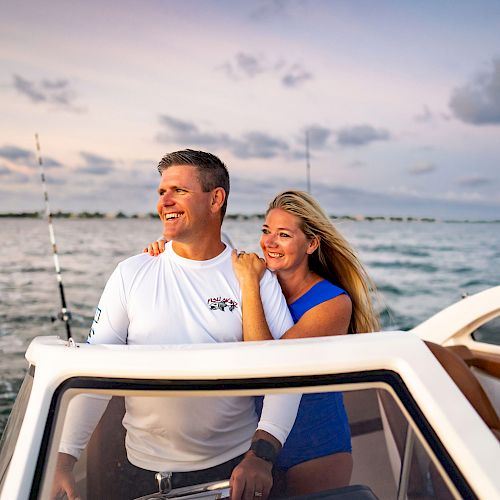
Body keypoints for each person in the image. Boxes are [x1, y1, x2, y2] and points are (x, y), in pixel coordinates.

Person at [52, 150, 301, 500]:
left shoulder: (253, 276)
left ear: (216, 199)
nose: (164, 201)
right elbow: (96, 374)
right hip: (138, 472)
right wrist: (64, 459)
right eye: (161, 192)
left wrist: (261, 456)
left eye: (179, 191)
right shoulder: (132, 273)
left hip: (231, 473)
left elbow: (288, 371)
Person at [146, 190, 380, 496]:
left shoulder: (333, 304)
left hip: (314, 446)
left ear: (311, 244)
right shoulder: (258, 276)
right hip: (251, 442)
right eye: (266, 231)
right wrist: (170, 251)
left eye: (283, 235)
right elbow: (205, 250)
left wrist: (249, 285)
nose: (269, 242)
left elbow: (268, 366)